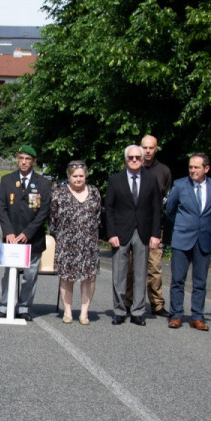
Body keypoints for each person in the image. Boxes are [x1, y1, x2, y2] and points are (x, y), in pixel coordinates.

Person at [103, 144, 163, 325]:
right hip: (120, 233)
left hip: (143, 232)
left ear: (143, 159)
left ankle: (137, 311)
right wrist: (111, 233)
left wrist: (155, 234)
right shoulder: (115, 180)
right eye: (131, 157)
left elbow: (156, 209)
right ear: (126, 159)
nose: (134, 160)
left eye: (138, 157)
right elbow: (109, 209)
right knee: (119, 274)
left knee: (140, 274)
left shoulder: (151, 180)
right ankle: (119, 310)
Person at [165, 153, 211, 331]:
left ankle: (197, 316)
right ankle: (176, 315)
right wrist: (185, 225)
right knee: (177, 280)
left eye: (196, 167)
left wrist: (201, 226)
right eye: (190, 167)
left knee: (200, 281)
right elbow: (170, 211)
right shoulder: (180, 185)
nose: (192, 170)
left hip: (203, 239)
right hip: (182, 239)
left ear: (206, 168)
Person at [0, 144, 52, 321]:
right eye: (21, 158)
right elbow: (2, 208)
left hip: (32, 238)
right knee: (8, 275)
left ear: (34, 161)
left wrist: (28, 232)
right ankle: (5, 306)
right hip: (11, 237)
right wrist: (8, 232)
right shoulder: (6, 180)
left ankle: (23, 307)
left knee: (29, 276)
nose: (24, 162)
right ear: (17, 159)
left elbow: (44, 211)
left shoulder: (44, 183)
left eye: (28, 159)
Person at [50, 160, 103, 325]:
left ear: (86, 176)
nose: (78, 179)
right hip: (67, 243)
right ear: (69, 176)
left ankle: (84, 313)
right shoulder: (59, 194)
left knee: (89, 278)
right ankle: (67, 311)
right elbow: (52, 220)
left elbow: (98, 217)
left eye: (81, 176)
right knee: (67, 278)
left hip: (89, 243)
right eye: (75, 176)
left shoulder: (94, 192)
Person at [139, 135, 174, 317]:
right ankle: (129, 302)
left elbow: (165, 199)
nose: (147, 151)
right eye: (144, 147)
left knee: (154, 268)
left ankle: (157, 304)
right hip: (134, 226)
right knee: (132, 268)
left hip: (154, 226)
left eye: (151, 147)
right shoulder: (133, 167)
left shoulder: (163, 171)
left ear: (156, 149)